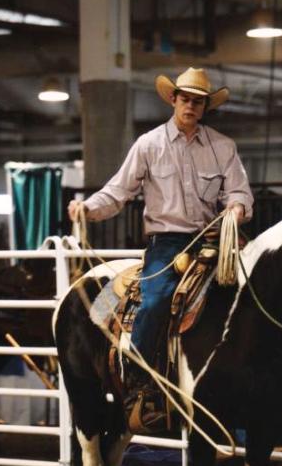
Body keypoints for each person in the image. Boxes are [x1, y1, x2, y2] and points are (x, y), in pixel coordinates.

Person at [68, 67, 253, 431]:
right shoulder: (149, 145)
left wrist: (236, 208)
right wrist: (88, 208)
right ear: (174, 100)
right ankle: (140, 383)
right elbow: (118, 192)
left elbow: (240, 192)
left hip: (215, 239)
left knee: (253, 291)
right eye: (185, 99)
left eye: (198, 101)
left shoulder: (223, 147)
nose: (191, 106)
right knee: (156, 299)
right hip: (166, 244)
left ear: (204, 107)